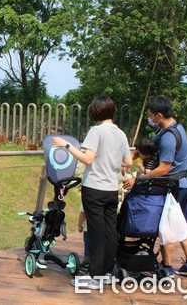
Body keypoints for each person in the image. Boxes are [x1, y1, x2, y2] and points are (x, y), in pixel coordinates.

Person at [53, 96, 132, 289]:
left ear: (96, 111)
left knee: (96, 232)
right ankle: (106, 272)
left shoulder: (96, 131)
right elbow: (128, 162)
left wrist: (66, 145)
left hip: (94, 188)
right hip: (112, 189)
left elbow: (87, 159)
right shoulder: (121, 133)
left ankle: (94, 276)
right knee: (110, 231)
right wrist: (111, 161)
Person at [123, 95, 187, 278]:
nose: (151, 119)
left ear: (159, 115)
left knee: (168, 225)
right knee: (181, 224)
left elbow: (164, 169)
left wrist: (139, 179)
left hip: (176, 186)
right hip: (185, 183)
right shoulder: (173, 129)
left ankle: (167, 267)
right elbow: (150, 145)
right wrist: (130, 159)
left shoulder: (168, 138)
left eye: (151, 116)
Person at [77, 204, 90, 270]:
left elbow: (83, 213)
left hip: (88, 227)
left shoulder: (87, 197)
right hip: (101, 228)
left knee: (88, 246)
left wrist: (79, 225)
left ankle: (86, 262)